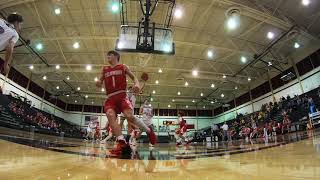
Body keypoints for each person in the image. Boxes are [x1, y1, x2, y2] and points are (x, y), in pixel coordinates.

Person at [96, 50, 156, 155]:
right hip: (110, 98)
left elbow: (134, 78)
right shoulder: (104, 69)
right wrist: (98, 82)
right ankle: (122, 142)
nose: (108, 56)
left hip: (122, 96)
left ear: (116, 56)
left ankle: (148, 131)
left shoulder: (123, 67)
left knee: (130, 116)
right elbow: (100, 81)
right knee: (110, 115)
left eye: (110, 55)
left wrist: (137, 84)